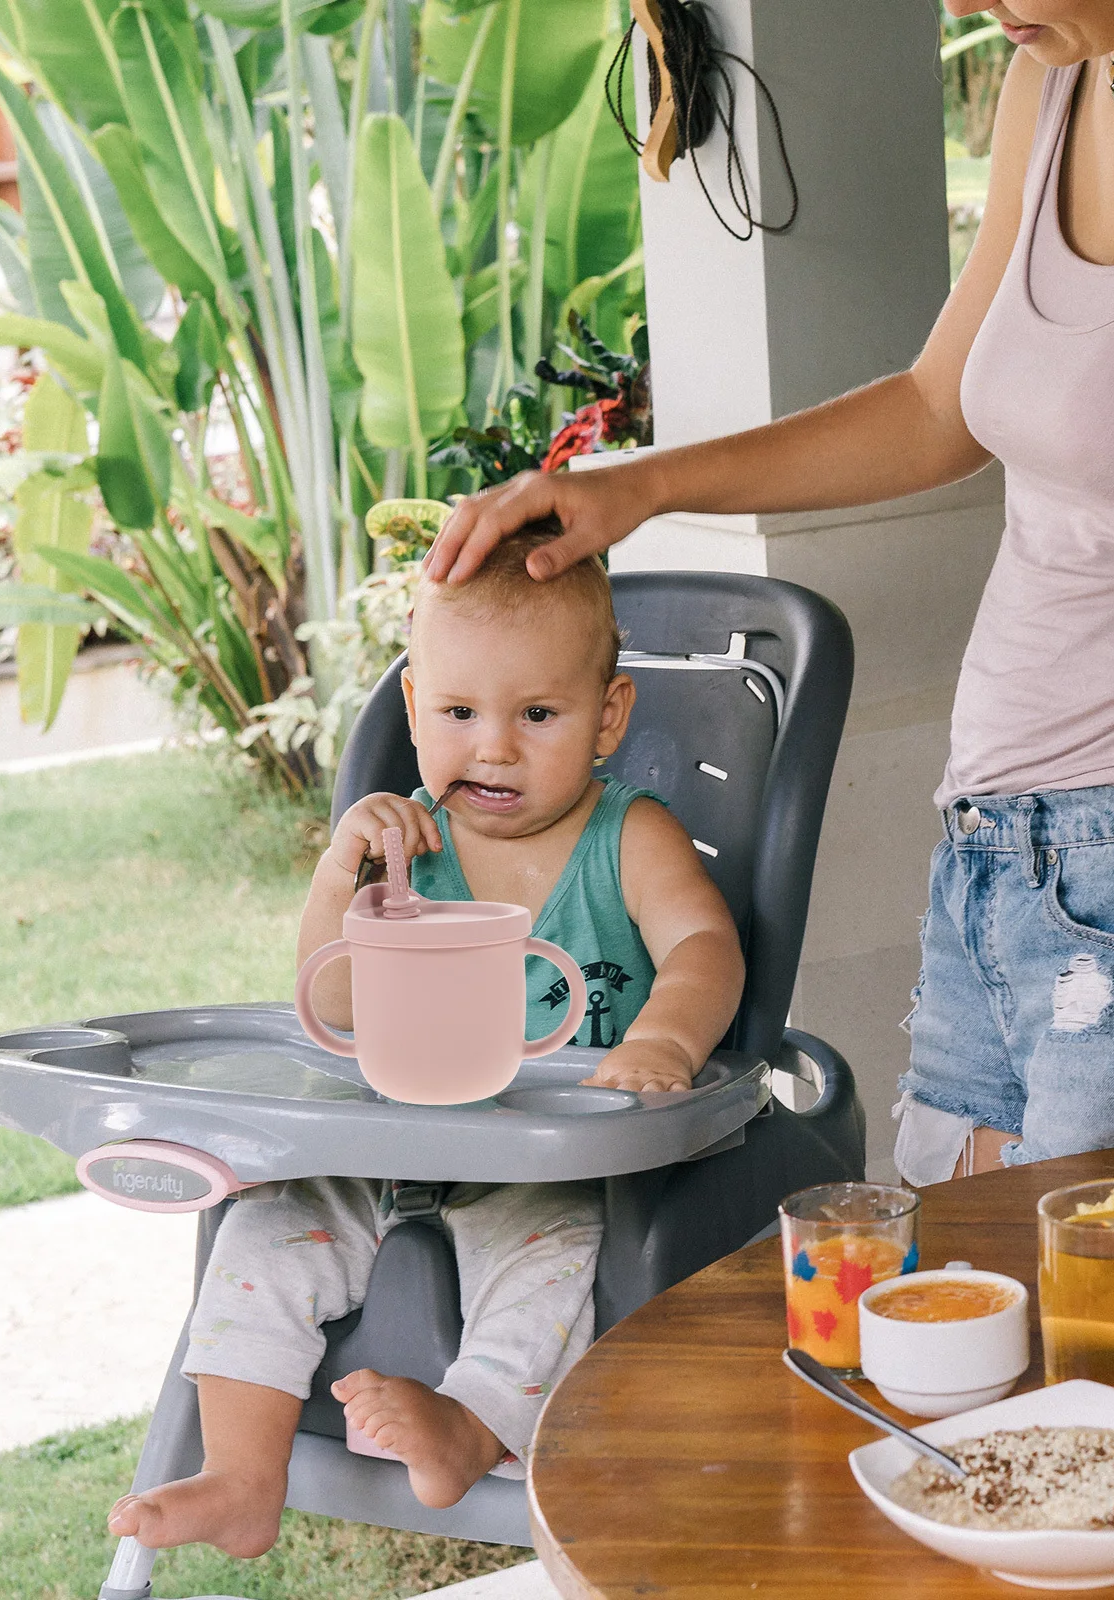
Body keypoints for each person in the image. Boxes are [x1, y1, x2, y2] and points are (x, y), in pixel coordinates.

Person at [420, 0, 1114, 1180]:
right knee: (983, 1340)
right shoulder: (1068, 78)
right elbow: (944, 405)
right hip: (994, 857)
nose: (974, 5)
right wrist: (640, 488)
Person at [107, 529, 744, 1557]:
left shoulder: (628, 838)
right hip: (384, 1152)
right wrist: (341, 876)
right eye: (457, 713)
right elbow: (337, 1004)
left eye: (537, 714)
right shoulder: (409, 848)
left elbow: (705, 944)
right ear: (412, 711)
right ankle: (238, 1472)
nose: (492, 746)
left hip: (539, 1171)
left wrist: (665, 1041)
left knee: (556, 1268)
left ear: (607, 717)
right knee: (261, 1233)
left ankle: (469, 1421)